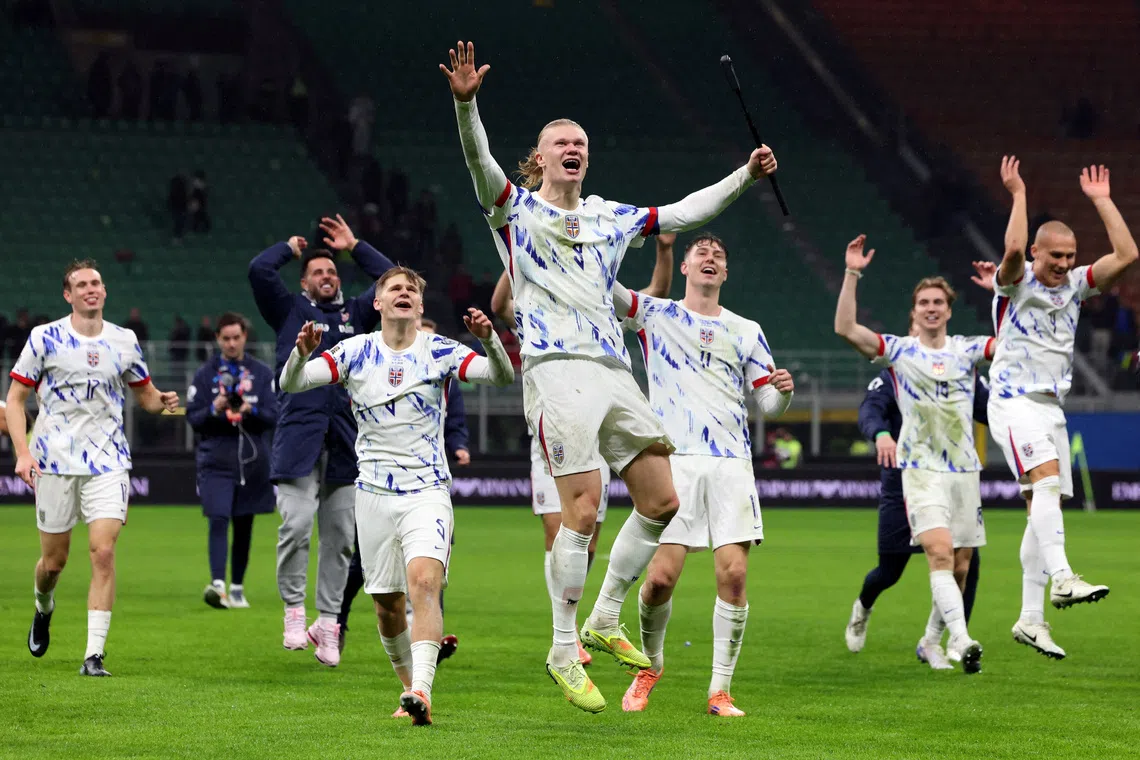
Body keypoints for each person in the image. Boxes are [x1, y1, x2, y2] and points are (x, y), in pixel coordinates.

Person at [441, 40, 778, 712]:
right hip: (556, 369)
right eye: (561, 143)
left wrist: (745, 175)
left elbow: (683, 212)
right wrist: (466, 105)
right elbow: (479, 162)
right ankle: (563, 649)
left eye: (581, 143)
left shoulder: (609, 217)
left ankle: (603, 615)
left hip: (614, 371)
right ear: (540, 158)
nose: (573, 149)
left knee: (662, 500)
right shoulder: (514, 210)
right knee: (584, 509)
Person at [280, 268, 514, 726]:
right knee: (386, 605)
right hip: (372, 494)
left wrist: (490, 340)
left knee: (424, 583)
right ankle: (409, 690)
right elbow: (292, 383)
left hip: (427, 490)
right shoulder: (354, 351)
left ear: (420, 306)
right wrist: (300, 353)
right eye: (394, 288)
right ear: (378, 303)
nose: (404, 292)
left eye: (412, 290)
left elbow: (499, 377)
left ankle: (422, 689)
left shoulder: (440, 349)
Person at [610, 233, 795, 716]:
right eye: (702, 254)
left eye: (719, 256)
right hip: (675, 461)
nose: (711, 259)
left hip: (731, 462)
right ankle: (650, 666)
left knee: (733, 575)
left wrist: (783, 392)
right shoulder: (656, 314)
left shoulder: (747, 330)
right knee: (660, 580)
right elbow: (608, 289)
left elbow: (768, 404)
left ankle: (720, 691)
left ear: (725, 273)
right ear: (686, 268)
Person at [490, 231, 676, 666]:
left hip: (597, 427)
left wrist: (665, 249)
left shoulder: (597, 306)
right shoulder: (535, 305)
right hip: (554, 422)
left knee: (588, 537)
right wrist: (522, 249)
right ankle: (565, 635)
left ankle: (591, 619)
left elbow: (653, 296)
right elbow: (500, 305)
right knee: (561, 528)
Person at [988, 156, 1137, 657]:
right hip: (1013, 400)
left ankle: (1031, 619)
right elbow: (1012, 250)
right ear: (1037, 252)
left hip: (1051, 407)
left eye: (1070, 256)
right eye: (1055, 255)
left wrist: (1102, 201)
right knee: (1047, 483)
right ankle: (1063, 578)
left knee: (1041, 506)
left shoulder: (1075, 285)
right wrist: (1018, 193)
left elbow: (1127, 255)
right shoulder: (1014, 285)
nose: (1064, 264)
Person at [8, 259, 180, 676]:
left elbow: (145, 396)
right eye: (81, 284)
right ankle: (43, 606)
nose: (91, 289)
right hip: (53, 461)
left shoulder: (124, 340)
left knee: (103, 551)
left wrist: (163, 402)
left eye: (96, 283)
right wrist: (23, 453)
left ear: (104, 291)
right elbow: (15, 399)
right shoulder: (44, 337)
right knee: (53, 563)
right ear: (68, 295)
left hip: (108, 461)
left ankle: (93, 655)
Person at [834, 235, 993, 675]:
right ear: (914, 311)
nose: (931, 308)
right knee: (898, 567)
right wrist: (852, 273)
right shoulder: (899, 355)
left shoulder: (966, 353)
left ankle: (933, 640)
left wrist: (1004, 293)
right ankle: (948, 634)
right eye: (924, 302)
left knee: (962, 565)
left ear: (949, 309)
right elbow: (846, 330)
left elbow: (1011, 349)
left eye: (938, 302)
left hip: (963, 471)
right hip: (912, 473)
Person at [248, 214, 394, 667]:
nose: (327, 276)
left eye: (332, 271)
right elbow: (259, 271)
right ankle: (294, 611)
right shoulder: (288, 310)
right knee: (295, 526)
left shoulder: (359, 314)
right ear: (304, 282)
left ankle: (329, 623)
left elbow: (393, 279)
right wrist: (288, 249)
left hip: (348, 440)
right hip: (298, 438)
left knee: (342, 539)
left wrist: (355, 246)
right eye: (317, 272)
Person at [336, 316, 466, 663]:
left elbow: (455, 419)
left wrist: (459, 445)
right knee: (363, 568)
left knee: (428, 570)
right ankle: (337, 619)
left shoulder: (443, 372)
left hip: (426, 484)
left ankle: (425, 641)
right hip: (380, 486)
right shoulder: (378, 368)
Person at [186, 313, 277, 610]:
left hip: (252, 461)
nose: (231, 343)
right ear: (217, 339)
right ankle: (218, 585)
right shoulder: (204, 375)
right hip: (215, 458)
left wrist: (251, 410)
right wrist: (214, 408)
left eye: (236, 337)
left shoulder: (261, 374)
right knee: (218, 517)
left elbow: (274, 416)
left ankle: (237, 587)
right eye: (226, 338)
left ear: (244, 337)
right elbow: (193, 417)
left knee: (244, 523)